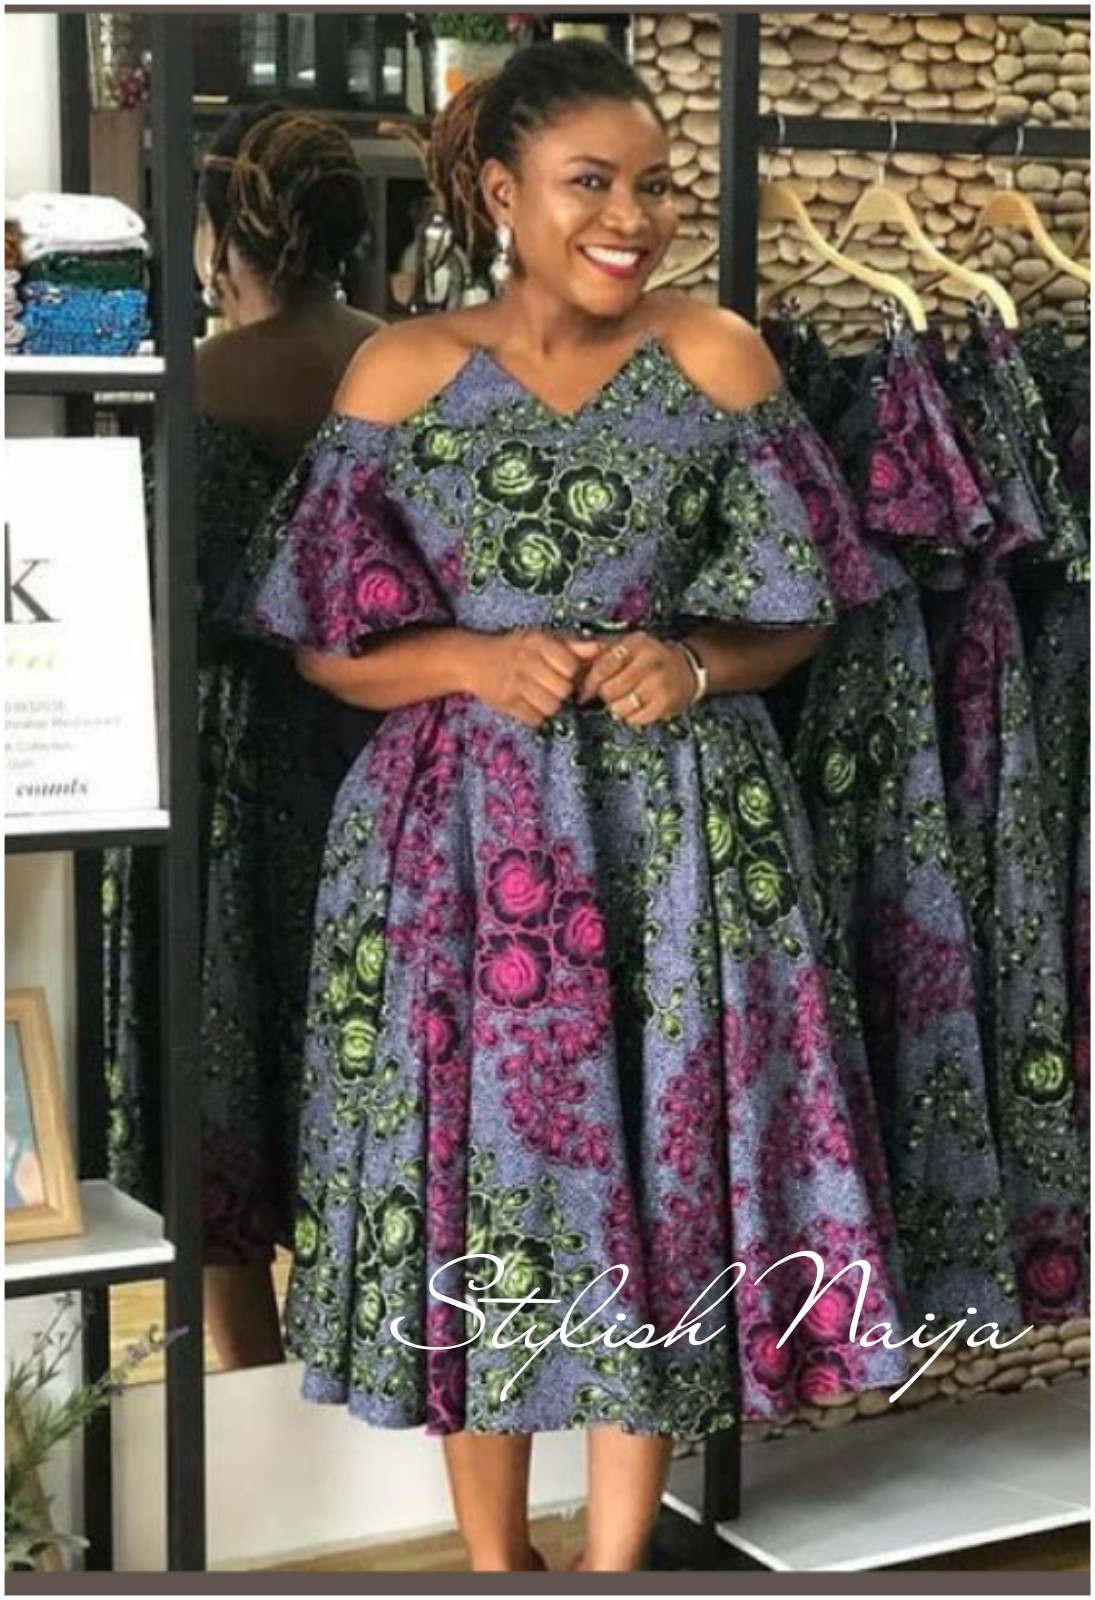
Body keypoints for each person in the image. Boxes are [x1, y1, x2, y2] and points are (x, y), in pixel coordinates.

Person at [251, 42, 908, 1571]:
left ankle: (610, 1570)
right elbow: (322, 643)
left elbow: (801, 608)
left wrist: (693, 661)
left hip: (673, 843)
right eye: (590, 183)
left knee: (659, 1191)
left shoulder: (720, 358)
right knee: (477, 1198)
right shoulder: (398, 373)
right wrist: (470, 659)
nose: (632, 217)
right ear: (500, 192)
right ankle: (497, 1565)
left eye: (654, 185)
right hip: (454, 851)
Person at [103, 105, 382, 1369]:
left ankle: (254, 1381)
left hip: (223, 763)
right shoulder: (405, 364)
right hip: (378, 749)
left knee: (221, 1074)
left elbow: (139, 592)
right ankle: (369, 1374)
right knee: (361, 1072)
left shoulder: (193, 382)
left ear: (222, 238)